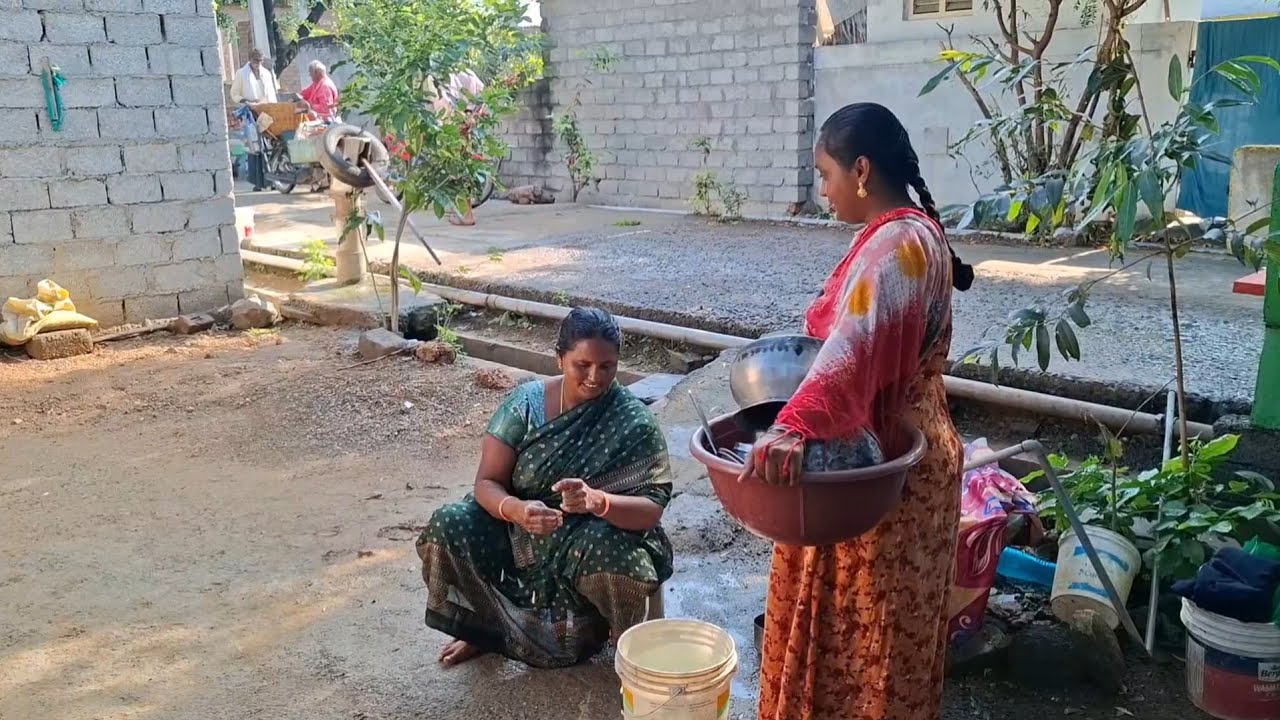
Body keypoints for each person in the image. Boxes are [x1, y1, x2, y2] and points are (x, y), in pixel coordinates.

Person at [742, 102, 974, 720]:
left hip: (884, 474)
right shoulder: (908, 232)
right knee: (882, 637)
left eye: (826, 174)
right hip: (907, 452)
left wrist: (791, 427)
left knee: (867, 637)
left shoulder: (897, 248)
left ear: (862, 170)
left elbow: (851, 354)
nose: (823, 190)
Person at [416, 307, 674, 669]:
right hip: (517, 533)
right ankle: (488, 629)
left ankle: (620, 642)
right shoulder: (526, 405)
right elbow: (487, 483)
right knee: (449, 524)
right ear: (559, 360)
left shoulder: (633, 422)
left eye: (607, 366)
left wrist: (598, 501)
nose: (595, 377)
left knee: (622, 560)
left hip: (587, 542)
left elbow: (651, 508)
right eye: (581, 365)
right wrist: (517, 511)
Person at [431, 69, 486, 227]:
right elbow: (483, 96)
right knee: (465, 166)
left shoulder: (442, 75)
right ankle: (463, 211)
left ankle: (465, 214)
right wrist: (472, 117)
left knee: (456, 168)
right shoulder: (467, 72)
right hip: (467, 125)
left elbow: (444, 105)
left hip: (455, 127)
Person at [229, 50, 280, 192]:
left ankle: (274, 180)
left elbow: (271, 94)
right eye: (256, 61)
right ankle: (258, 182)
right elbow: (235, 94)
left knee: (270, 145)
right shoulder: (241, 73)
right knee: (255, 148)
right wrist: (248, 102)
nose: (258, 64)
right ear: (250, 59)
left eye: (260, 61)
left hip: (266, 113)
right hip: (251, 114)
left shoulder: (266, 73)